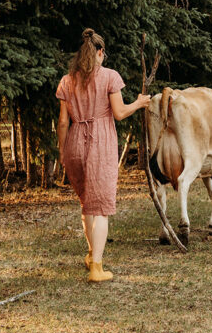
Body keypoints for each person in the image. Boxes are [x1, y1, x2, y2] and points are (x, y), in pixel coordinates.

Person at [56, 29, 151, 282]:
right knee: (101, 207)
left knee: (87, 201)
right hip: (100, 142)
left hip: (75, 141)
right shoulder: (110, 76)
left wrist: (63, 150)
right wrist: (140, 103)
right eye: (103, 53)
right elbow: (119, 112)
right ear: (99, 52)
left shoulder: (67, 80)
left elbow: (63, 122)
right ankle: (97, 268)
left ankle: (90, 254)